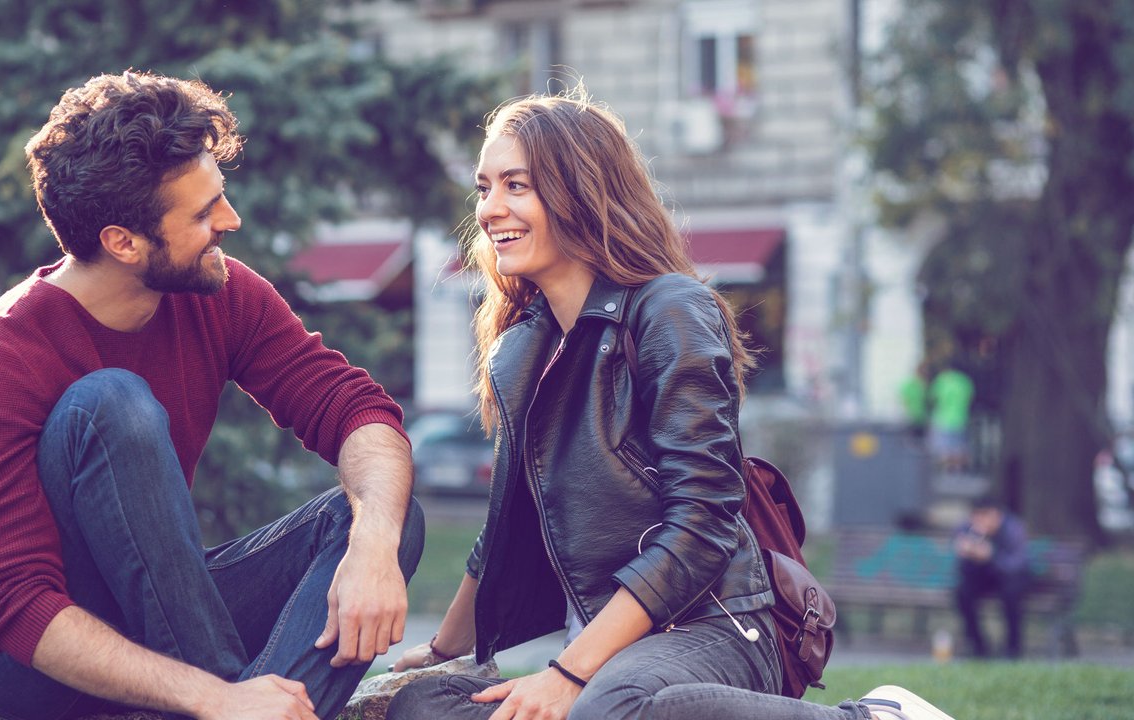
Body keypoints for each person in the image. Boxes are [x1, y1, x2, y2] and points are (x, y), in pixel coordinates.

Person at [384, 89, 954, 720]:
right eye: (483, 188)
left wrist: (571, 670)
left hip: (717, 624)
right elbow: (503, 531)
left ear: (579, 189)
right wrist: (442, 650)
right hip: (617, 640)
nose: (491, 209)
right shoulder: (524, 349)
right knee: (426, 706)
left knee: (615, 706)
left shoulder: (669, 310)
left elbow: (703, 525)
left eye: (516, 185)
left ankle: (878, 717)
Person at [0, 71, 424, 720]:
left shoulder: (223, 292)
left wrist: (374, 547)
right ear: (123, 243)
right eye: (203, 212)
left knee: (381, 518)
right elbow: (15, 606)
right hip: (20, 650)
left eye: (221, 195)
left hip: (162, 610)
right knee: (109, 405)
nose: (232, 220)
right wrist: (214, 696)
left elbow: (356, 411)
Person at [953, 496, 1031, 659]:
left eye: (984, 515)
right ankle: (978, 646)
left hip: (1009, 579)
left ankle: (1013, 648)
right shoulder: (968, 529)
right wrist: (968, 553)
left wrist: (991, 556)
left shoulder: (1012, 529)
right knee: (963, 593)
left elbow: (1017, 565)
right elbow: (963, 568)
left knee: (1011, 594)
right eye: (976, 516)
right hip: (984, 578)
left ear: (997, 515)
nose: (980, 521)